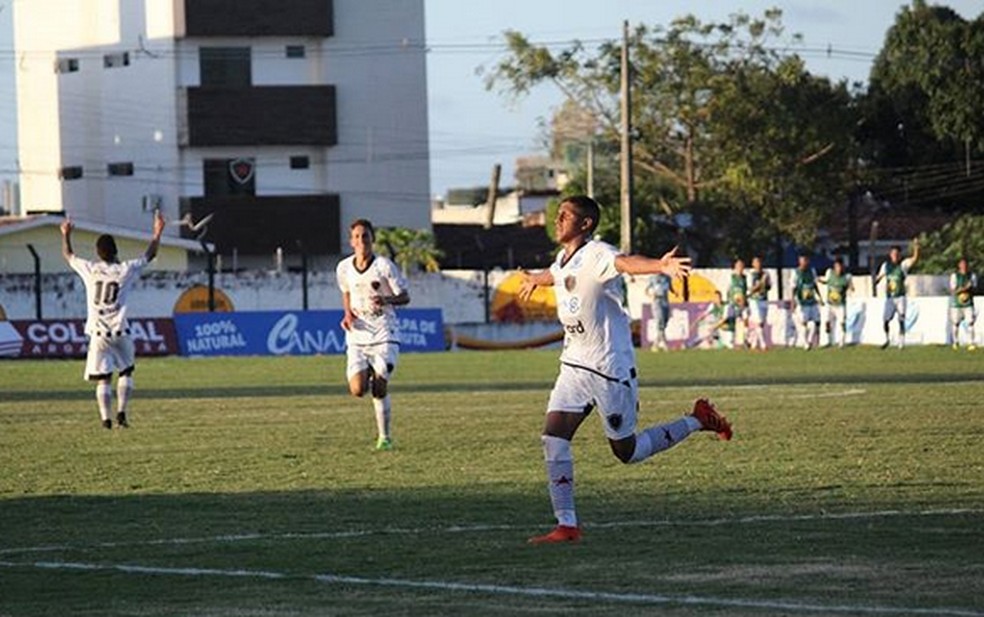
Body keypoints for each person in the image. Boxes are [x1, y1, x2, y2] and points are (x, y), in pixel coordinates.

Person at [518, 196, 733, 545]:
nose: (556, 221)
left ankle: (698, 420)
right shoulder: (562, 258)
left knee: (626, 452)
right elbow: (555, 275)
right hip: (574, 364)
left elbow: (626, 263)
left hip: (609, 368)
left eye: (564, 216)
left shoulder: (598, 253)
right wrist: (533, 279)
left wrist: (659, 267)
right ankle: (567, 525)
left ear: (585, 224)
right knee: (553, 438)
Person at [60, 210, 165, 429]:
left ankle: (105, 419)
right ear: (115, 251)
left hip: (98, 333)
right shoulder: (124, 270)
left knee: (103, 377)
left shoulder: (90, 269)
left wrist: (65, 234)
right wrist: (157, 232)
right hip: (120, 331)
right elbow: (150, 255)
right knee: (126, 370)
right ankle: (122, 414)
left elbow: (69, 255)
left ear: (98, 253)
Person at [336, 219, 410, 451]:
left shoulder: (384, 266)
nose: (361, 241)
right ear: (351, 241)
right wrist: (347, 314)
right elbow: (346, 291)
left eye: (365, 236)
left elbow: (405, 297)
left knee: (379, 386)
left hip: (384, 331)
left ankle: (384, 437)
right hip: (358, 334)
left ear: (372, 239)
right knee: (358, 390)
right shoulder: (344, 267)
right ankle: (368, 370)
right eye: (356, 237)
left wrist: (386, 299)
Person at [873, 239, 920, 349]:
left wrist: (916, 248)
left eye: (897, 254)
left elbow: (914, 259)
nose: (895, 255)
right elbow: (879, 276)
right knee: (885, 320)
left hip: (901, 296)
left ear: (899, 255)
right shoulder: (886, 266)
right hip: (889, 298)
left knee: (901, 318)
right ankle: (887, 339)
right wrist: (877, 280)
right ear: (890, 254)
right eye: (893, 253)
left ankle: (901, 341)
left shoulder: (903, 265)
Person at [819, 257, 853, 348]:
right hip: (830, 304)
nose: (839, 268)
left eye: (840, 266)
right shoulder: (829, 273)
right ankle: (828, 341)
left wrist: (850, 287)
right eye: (837, 266)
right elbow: (825, 281)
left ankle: (842, 341)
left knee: (842, 323)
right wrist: (819, 280)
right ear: (834, 266)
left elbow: (851, 287)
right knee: (827, 323)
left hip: (840, 305)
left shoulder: (847, 276)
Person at [792, 253, 822, 350]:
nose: (803, 263)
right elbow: (793, 288)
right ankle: (806, 342)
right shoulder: (795, 272)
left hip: (812, 301)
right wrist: (793, 301)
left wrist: (820, 297)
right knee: (804, 323)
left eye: (805, 261)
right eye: (801, 261)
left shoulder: (812, 271)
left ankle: (809, 342)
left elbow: (814, 285)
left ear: (808, 261)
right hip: (802, 302)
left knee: (815, 323)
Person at [949, 257, 977, 350]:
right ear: (959, 265)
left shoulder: (972, 276)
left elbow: (974, 288)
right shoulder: (954, 276)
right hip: (956, 304)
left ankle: (971, 343)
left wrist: (970, 288)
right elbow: (953, 290)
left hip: (968, 303)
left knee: (970, 323)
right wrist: (964, 288)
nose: (964, 266)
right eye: (962, 264)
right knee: (955, 323)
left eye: (965, 264)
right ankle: (955, 342)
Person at [747, 256, 772, 350]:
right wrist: (760, 284)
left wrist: (765, 284)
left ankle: (752, 343)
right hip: (754, 300)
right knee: (759, 322)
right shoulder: (751, 274)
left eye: (759, 262)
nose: (758, 264)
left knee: (762, 323)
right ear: (753, 264)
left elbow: (769, 287)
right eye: (756, 263)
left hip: (764, 299)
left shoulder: (766, 273)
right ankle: (763, 344)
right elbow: (751, 289)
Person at [644, 272, 672, 351]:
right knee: (660, 320)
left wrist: (674, 292)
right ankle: (663, 342)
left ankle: (656, 343)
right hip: (657, 300)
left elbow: (670, 287)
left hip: (665, 300)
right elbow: (646, 290)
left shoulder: (667, 277)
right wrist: (651, 295)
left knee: (665, 320)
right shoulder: (653, 277)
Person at [727, 259, 749, 347]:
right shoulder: (731, 277)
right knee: (732, 321)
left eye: (741, 266)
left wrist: (745, 300)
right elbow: (728, 290)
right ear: (735, 267)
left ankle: (746, 339)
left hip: (743, 303)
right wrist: (731, 300)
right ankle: (731, 341)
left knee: (745, 320)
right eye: (738, 266)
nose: (740, 268)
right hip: (733, 303)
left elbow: (746, 290)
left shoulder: (745, 278)